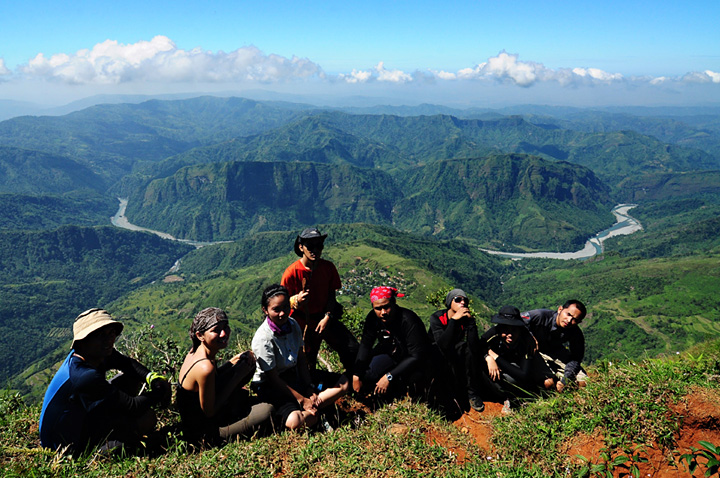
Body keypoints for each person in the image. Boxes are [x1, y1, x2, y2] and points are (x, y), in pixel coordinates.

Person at [39, 308, 171, 454]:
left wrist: (152, 378)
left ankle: (119, 428)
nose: (109, 340)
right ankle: (103, 449)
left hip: (82, 417)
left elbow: (127, 364)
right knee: (147, 419)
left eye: (111, 333)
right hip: (66, 446)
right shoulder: (84, 376)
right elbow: (133, 406)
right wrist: (160, 391)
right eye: (101, 335)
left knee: (130, 380)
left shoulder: (92, 353)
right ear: (83, 341)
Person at [251, 284, 350, 430]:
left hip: (295, 376)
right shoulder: (263, 338)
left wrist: (309, 387)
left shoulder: (293, 325)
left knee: (345, 382)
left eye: (285, 307)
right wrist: (302, 399)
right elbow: (273, 378)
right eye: (276, 310)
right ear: (265, 310)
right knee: (294, 422)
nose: (282, 313)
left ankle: (313, 409)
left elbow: (301, 359)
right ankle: (317, 411)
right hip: (273, 385)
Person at [176, 307, 274, 444]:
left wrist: (234, 361)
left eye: (225, 327)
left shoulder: (196, 351)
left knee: (245, 363)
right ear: (200, 335)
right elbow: (210, 412)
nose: (223, 333)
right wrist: (236, 378)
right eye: (216, 330)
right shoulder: (204, 367)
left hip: (199, 418)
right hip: (205, 432)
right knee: (267, 410)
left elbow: (213, 379)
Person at [281, 227, 359, 376]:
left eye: (319, 246)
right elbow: (281, 302)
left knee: (352, 349)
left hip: (324, 318)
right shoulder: (291, 273)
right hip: (302, 322)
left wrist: (327, 317)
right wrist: (296, 300)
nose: (315, 250)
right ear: (301, 247)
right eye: (310, 246)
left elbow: (331, 296)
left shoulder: (328, 268)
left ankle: (353, 381)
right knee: (306, 362)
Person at [353, 286, 431, 400]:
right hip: (390, 354)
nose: (383, 312)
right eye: (378, 308)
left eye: (386, 307)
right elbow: (365, 345)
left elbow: (416, 355)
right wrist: (356, 375)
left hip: (414, 360)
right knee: (368, 375)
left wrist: (389, 376)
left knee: (413, 384)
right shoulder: (373, 318)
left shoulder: (408, 320)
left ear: (394, 303)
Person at [427, 288, 484, 414]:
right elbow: (443, 344)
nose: (462, 303)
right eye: (457, 299)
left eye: (465, 300)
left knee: (469, 351)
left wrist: (470, 324)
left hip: (454, 349)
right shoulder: (437, 318)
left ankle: (472, 392)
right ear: (449, 303)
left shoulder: (466, 319)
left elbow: (475, 347)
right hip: (435, 352)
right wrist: (453, 321)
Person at [521, 300, 588, 392]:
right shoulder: (540, 316)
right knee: (548, 383)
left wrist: (567, 379)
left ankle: (564, 385)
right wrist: (529, 337)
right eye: (568, 314)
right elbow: (517, 320)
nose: (569, 321)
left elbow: (576, 358)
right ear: (560, 309)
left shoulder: (576, 333)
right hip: (535, 351)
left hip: (556, 351)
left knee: (585, 382)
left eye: (575, 320)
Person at [479, 306, 536, 412]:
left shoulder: (526, 342)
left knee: (514, 379)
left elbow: (523, 374)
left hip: (515, 372)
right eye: (506, 330)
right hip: (500, 370)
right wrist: (488, 358)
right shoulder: (494, 333)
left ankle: (511, 397)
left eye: (514, 330)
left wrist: (495, 357)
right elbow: (478, 346)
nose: (510, 334)